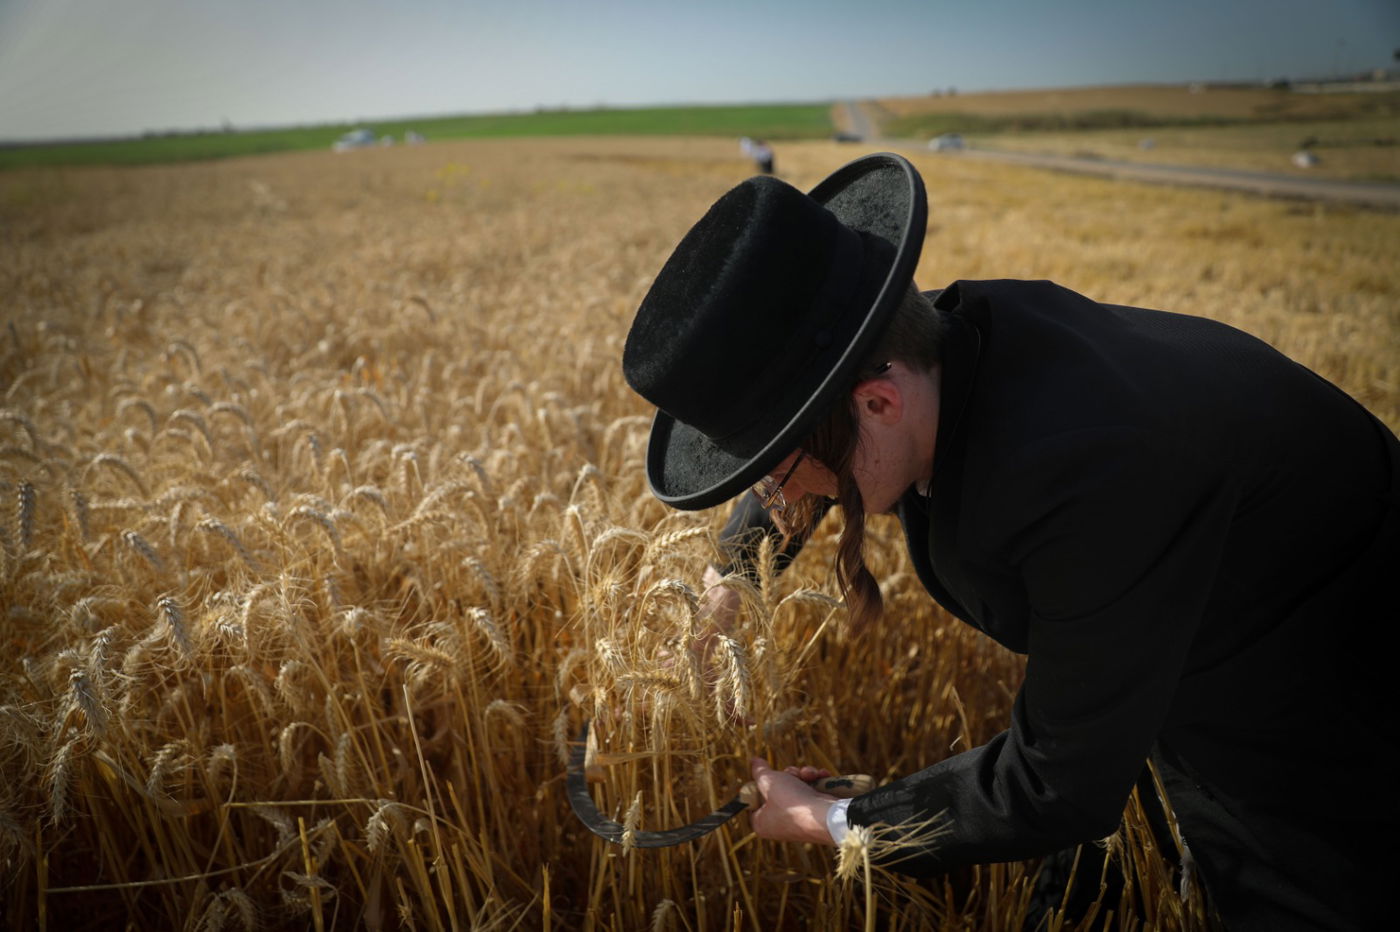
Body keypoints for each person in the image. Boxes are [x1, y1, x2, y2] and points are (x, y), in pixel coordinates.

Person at [620, 152, 1399, 930]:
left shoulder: (1088, 477)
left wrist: (831, 823)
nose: (778, 498)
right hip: (1171, 604)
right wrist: (727, 589)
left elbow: (1058, 783)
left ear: (878, 403)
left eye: (775, 468)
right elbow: (815, 408)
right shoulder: (924, 349)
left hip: (1322, 669)